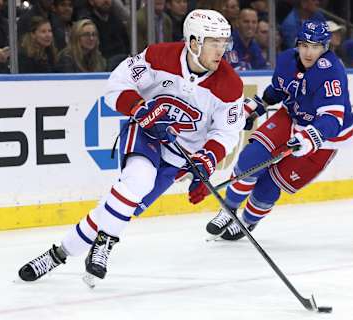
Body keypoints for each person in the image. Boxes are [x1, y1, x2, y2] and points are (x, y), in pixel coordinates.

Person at [18, 9, 256, 286]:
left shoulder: (230, 84)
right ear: (193, 42)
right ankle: (105, 243)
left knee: (119, 206)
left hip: (179, 157)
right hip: (145, 133)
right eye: (214, 42)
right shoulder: (159, 56)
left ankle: (58, 254)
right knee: (138, 180)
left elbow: (226, 132)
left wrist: (207, 160)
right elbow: (116, 86)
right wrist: (140, 109)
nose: (221, 51)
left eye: (224, 43)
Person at [205, 20, 353, 240]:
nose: (309, 52)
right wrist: (254, 107)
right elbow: (277, 90)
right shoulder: (287, 59)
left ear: (325, 47)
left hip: (326, 137)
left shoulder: (331, 72)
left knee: (270, 184)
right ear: (297, 44)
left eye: (316, 47)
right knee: (251, 158)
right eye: (304, 45)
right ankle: (228, 210)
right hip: (291, 115)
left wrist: (310, 137)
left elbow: (332, 120)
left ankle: (247, 221)